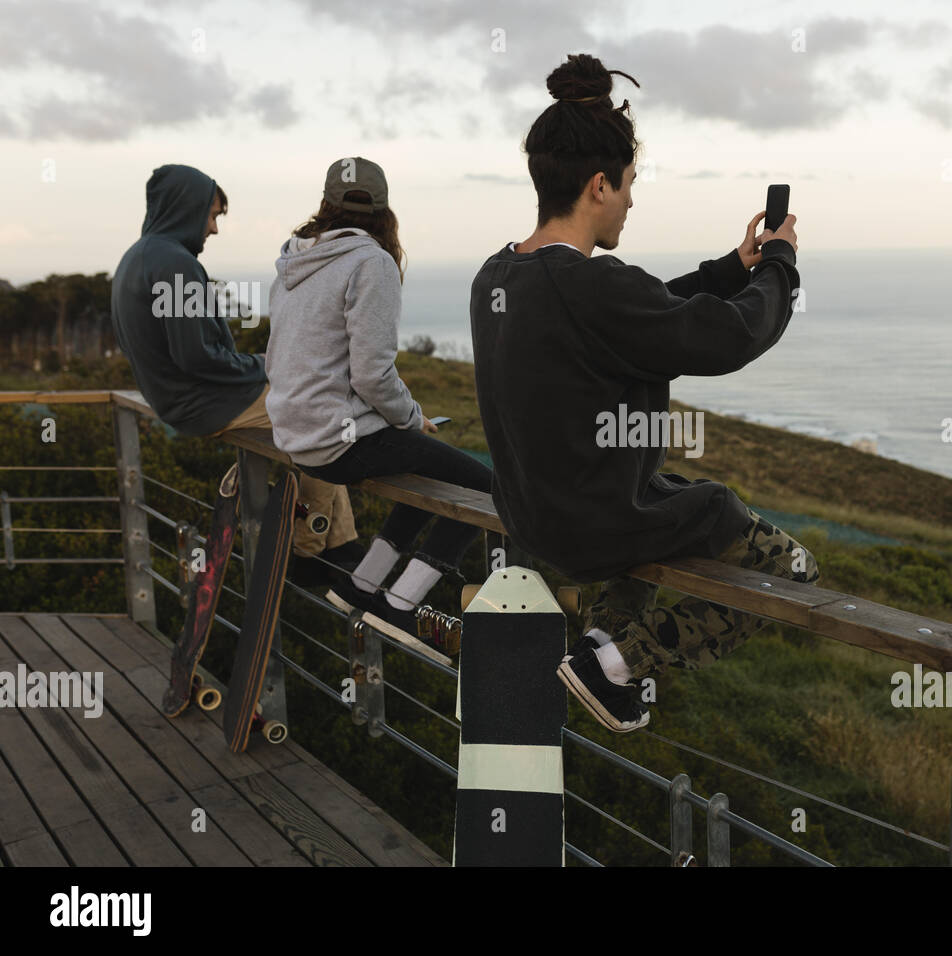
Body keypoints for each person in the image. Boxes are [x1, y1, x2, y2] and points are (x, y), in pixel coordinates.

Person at [469, 54, 819, 733]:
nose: (632, 199)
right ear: (599, 185)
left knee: (684, 496)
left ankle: (601, 651)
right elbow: (729, 338)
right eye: (629, 185)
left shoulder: (497, 275)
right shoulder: (594, 285)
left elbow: (638, 316)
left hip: (531, 516)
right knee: (793, 567)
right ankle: (617, 663)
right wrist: (779, 265)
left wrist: (728, 269)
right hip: (596, 524)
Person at [265, 157, 494, 648]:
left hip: (297, 438)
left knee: (424, 468)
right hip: (339, 442)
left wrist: (402, 424)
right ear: (384, 208)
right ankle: (401, 605)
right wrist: (411, 418)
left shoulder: (292, 260)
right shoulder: (372, 262)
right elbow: (372, 374)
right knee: (488, 488)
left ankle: (359, 586)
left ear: (326, 204)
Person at [110, 164, 362, 584]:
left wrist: (259, 363)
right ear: (185, 209)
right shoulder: (174, 263)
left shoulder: (137, 257)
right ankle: (310, 551)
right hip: (206, 404)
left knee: (316, 405)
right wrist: (262, 365)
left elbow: (188, 351)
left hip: (179, 401)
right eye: (211, 216)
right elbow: (197, 358)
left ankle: (343, 551)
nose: (213, 229)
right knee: (325, 415)